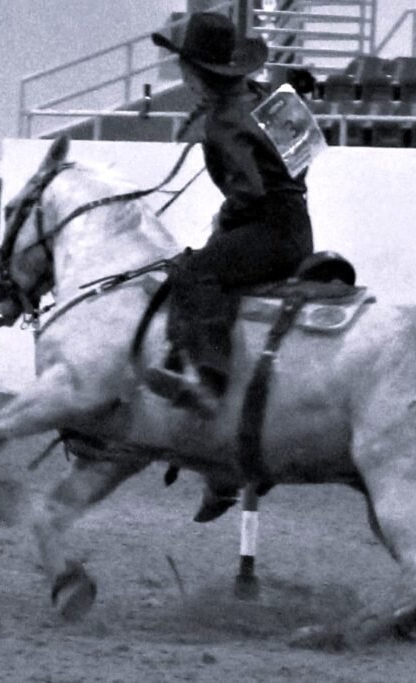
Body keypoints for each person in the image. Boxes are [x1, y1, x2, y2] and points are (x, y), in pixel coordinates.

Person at [148, 13, 315, 521]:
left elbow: (250, 194)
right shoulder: (270, 95)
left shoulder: (223, 121)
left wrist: (228, 219)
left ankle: (211, 382)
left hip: (266, 230)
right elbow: (306, 155)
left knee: (192, 274)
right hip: (297, 227)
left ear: (195, 72)